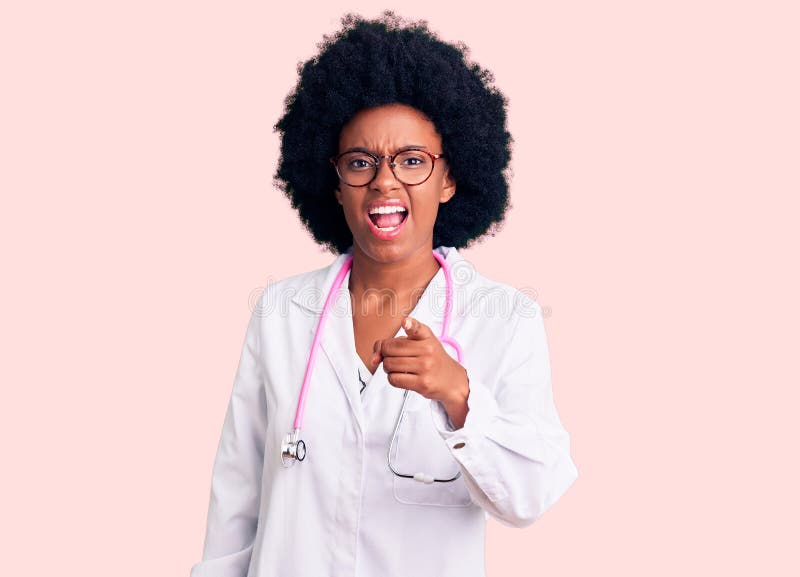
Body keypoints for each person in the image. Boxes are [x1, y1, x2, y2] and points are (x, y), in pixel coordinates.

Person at [190, 11, 578, 577]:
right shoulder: (280, 314)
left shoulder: (504, 319)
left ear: (451, 178)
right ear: (334, 182)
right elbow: (236, 499)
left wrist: (459, 394)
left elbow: (531, 495)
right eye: (360, 162)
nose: (384, 182)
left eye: (412, 161)